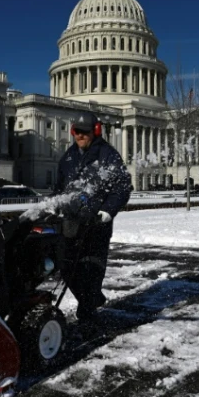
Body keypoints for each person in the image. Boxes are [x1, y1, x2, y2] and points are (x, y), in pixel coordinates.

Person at [54, 112, 132, 323]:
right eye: (76, 132)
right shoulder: (68, 157)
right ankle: (90, 300)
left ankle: (88, 314)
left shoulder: (108, 155)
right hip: (71, 223)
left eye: (85, 132)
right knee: (66, 265)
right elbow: (59, 188)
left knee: (92, 269)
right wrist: (54, 205)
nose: (80, 136)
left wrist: (108, 210)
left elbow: (123, 188)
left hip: (96, 224)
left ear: (95, 131)